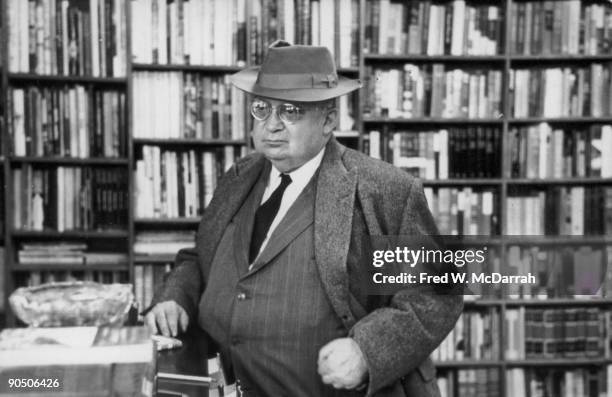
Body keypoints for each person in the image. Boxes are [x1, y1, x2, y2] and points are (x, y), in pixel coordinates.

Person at [146, 41, 463, 397]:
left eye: (291, 111)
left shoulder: (385, 189)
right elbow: (201, 258)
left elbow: (438, 290)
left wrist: (367, 351)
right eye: (262, 108)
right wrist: (174, 295)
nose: (271, 126)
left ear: (328, 119)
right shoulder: (239, 176)